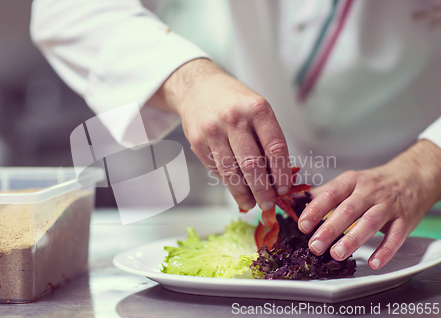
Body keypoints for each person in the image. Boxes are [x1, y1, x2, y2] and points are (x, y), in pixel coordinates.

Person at [30, 0, 441, 270]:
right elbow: (67, 10)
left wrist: (426, 168)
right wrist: (190, 81)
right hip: (270, 218)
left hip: (424, 211)